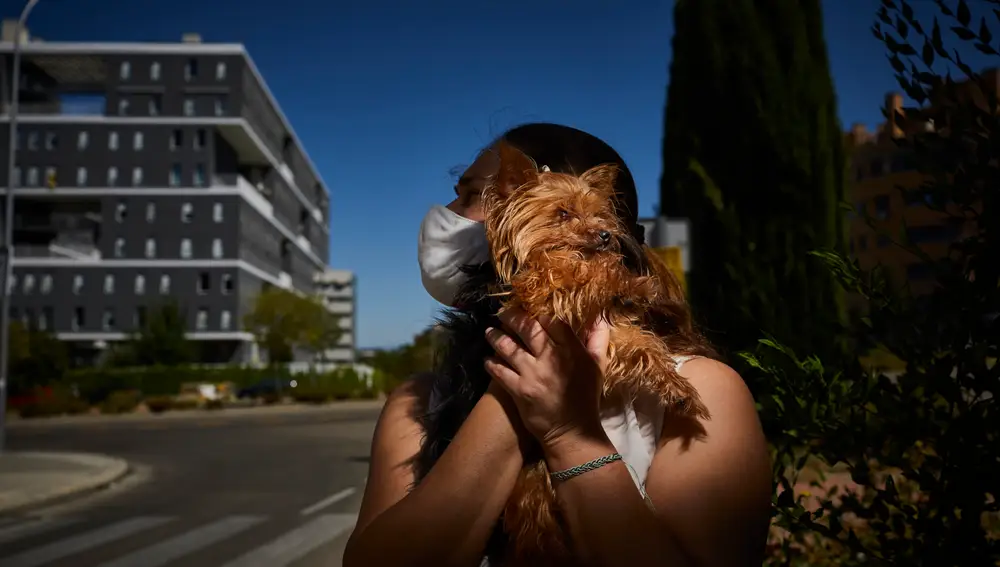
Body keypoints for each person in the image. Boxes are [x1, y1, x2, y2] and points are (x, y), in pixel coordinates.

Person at [343, 123, 772, 567]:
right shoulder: (418, 403)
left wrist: (569, 435)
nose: (448, 212)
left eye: (473, 195)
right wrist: (515, 389)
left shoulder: (698, 390)